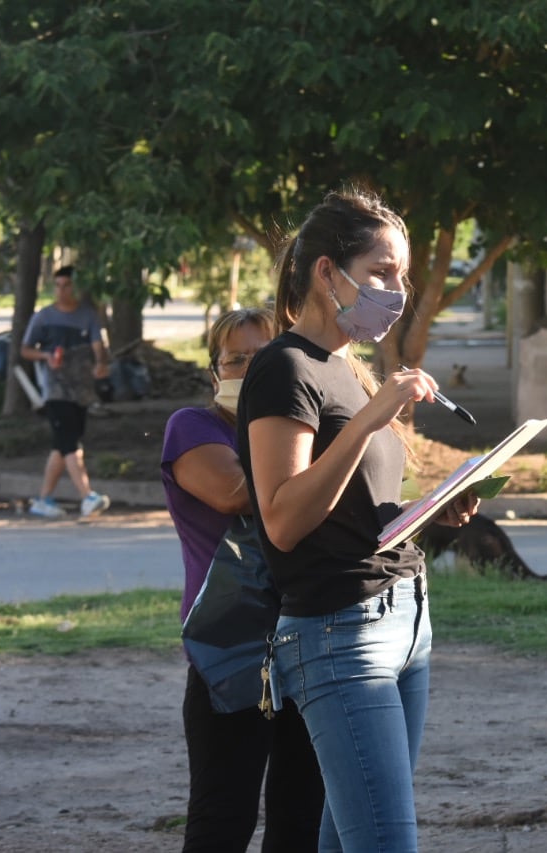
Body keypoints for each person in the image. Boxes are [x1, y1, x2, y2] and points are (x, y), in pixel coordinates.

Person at [237, 187, 479, 852]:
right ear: (326, 271)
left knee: (352, 839)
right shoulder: (283, 368)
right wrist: (375, 417)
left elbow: (354, 512)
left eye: (400, 273)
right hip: (340, 634)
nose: (397, 288)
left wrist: (429, 511)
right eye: (382, 271)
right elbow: (283, 518)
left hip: (406, 620)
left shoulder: (348, 368)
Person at [161, 307, 324, 851]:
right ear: (215, 374)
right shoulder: (192, 427)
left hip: (308, 637)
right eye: (236, 360)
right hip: (229, 650)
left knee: (301, 815)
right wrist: (298, 454)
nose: (250, 370)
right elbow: (236, 495)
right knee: (223, 818)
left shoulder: (310, 431)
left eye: (264, 358)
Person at [20, 265, 112, 518]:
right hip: (54, 388)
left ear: (75, 287)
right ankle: (86, 496)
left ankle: (43, 500)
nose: (62, 290)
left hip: (81, 389)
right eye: (58, 285)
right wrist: (46, 356)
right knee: (70, 442)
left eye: (67, 285)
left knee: (63, 444)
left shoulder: (87, 316)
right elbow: (25, 350)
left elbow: (98, 346)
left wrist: (101, 364)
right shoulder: (44, 316)